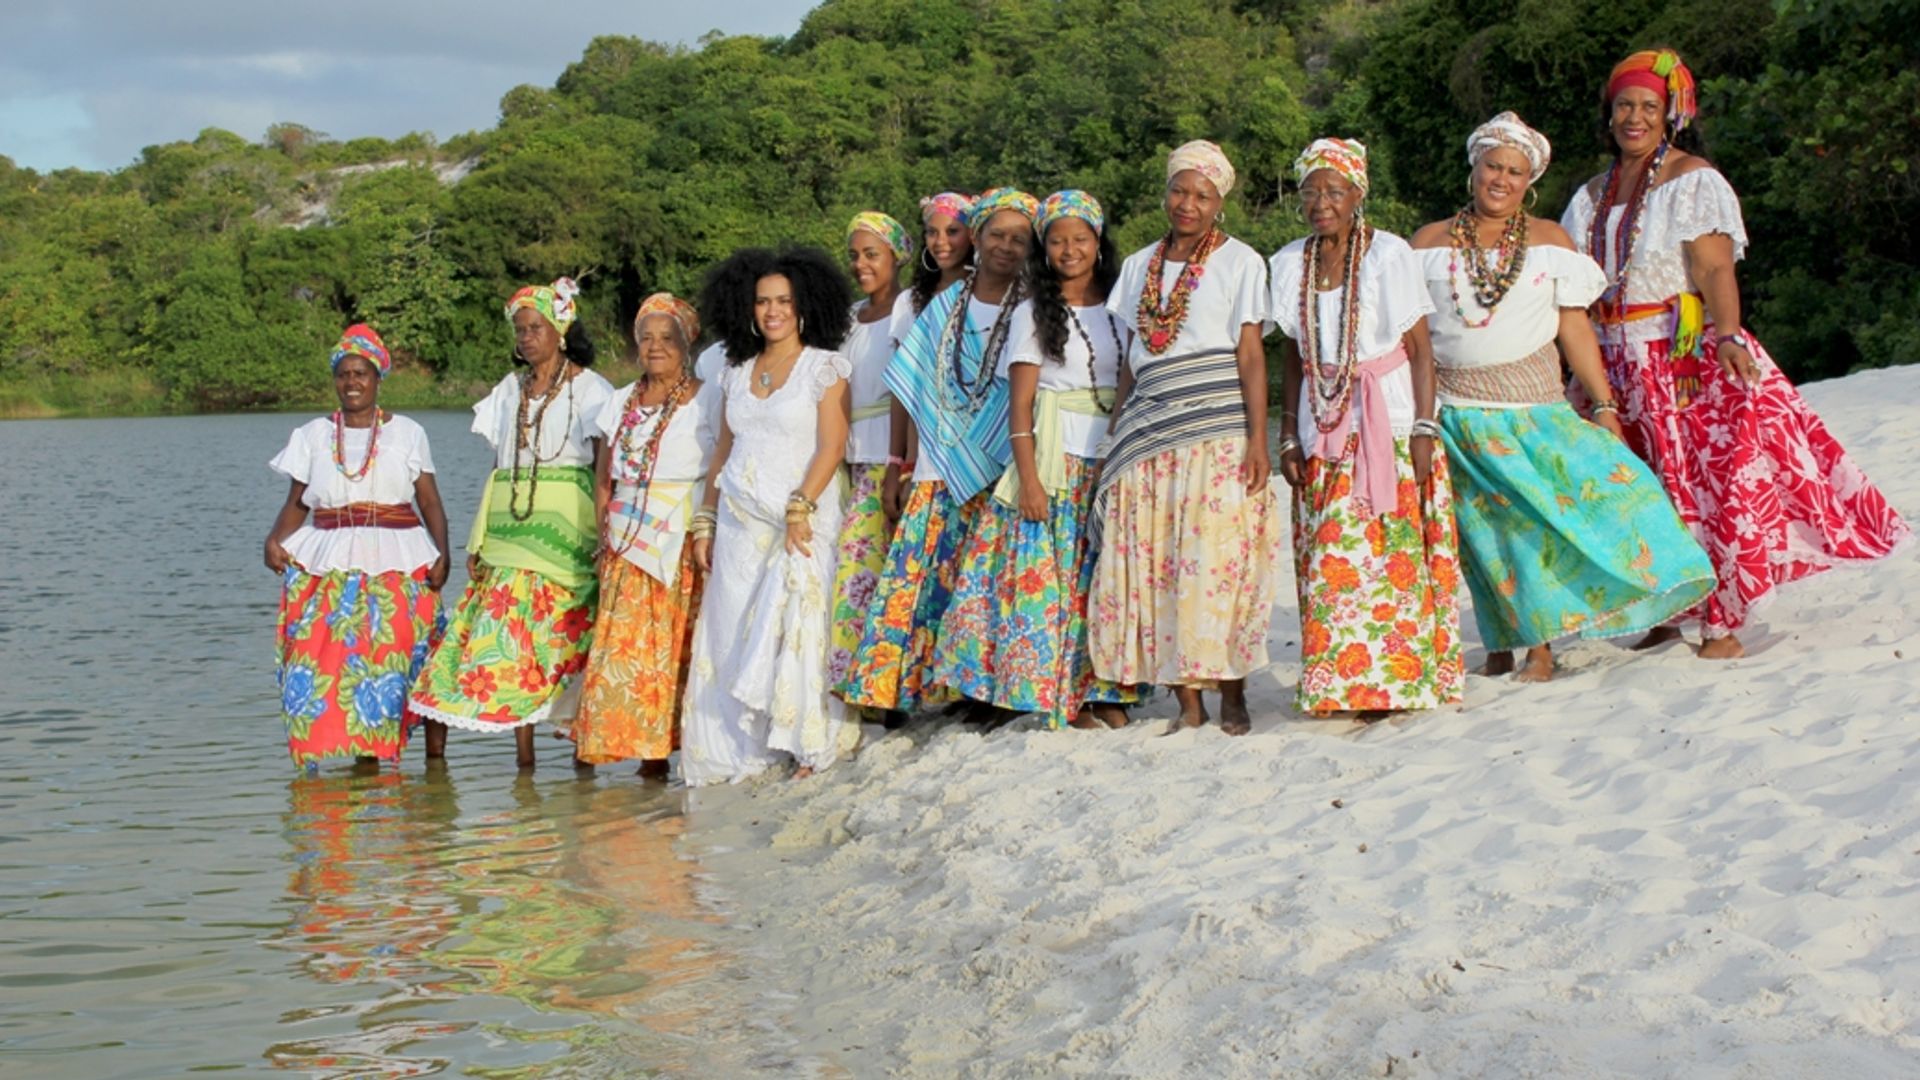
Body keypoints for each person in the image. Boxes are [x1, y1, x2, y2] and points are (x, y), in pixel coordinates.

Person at [1563, 49, 1911, 658]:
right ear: (1608, 113)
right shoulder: (1591, 196)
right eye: (1624, 106)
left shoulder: (1692, 180)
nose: (1635, 118)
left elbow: (1714, 266)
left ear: (1671, 115)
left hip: (1679, 355)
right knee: (1640, 490)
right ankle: (1669, 611)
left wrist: (1726, 334)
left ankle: (1720, 623)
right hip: (1612, 361)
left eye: (1649, 106)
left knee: (1703, 486)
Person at [1410, 112, 1715, 682]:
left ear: (1531, 182)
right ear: (1473, 168)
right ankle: (1504, 645)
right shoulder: (1426, 243)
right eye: (1493, 166)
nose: (1501, 179)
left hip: (1534, 412)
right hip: (1455, 413)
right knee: (1482, 537)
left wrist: (1602, 404)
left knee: (1552, 522)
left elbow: (1573, 327)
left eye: (1515, 172)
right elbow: (1410, 338)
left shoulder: (1551, 240)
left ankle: (1541, 648)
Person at [1091, 142, 1281, 736]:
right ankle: (1186, 703)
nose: (1188, 204)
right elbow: (1129, 359)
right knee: (1157, 564)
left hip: (1217, 426)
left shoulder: (1241, 260)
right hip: (1149, 428)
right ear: (1165, 192)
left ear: (1219, 202)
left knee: (1219, 561)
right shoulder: (1138, 266)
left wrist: (1257, 437)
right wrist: (1119, 426)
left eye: (1202, 195)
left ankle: (1232, 692)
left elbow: (1251, 354)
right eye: (1180, 190)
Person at [934, 191, 1140, 730]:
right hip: (1052, 460)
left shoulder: (1122, 305)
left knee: (1100, 578)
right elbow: (1020, 404)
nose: (1070, 250)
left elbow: (1127, 382)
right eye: (1057, 240)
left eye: (1080, 238)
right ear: (1044, 249)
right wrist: (1028, 480)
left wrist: (1118, 445)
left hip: (1106, 455)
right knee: (1044, 582)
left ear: (1099, 243)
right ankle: (1041, 690)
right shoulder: (1032, 312)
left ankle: (1100, 689)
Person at [1272, 138, 1464, 717]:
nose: (1322, 202)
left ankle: (1395, 684)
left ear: (1359, 193)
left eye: (1334, 190)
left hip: (1391, 423)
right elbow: (1291, 353)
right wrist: (1286, 430)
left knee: (1389, 557)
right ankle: (1341, 685)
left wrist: (1426, 427)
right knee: (1330, 559)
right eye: (1311, 191)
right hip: (1321, 424)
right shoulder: (1289, 262)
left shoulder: (1388, 254)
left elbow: (1420, 350)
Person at [838, 188, 1037, 719]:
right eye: (995, 234)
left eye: (1019, 238)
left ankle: (986, 692)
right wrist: (900, 466)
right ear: (979, 237)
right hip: (938, 458)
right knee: (923, 580)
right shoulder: (943, 306)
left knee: (989, 582)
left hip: (1006, 463)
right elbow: (909, 386)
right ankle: (913, 691)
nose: (1006, 246)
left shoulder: (1036, 306)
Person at [408, 278, 616, 768]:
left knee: (566, 639)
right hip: (508, 533)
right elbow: (499, 469)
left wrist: (605, 535)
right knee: (509, 643)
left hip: (567, 539)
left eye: (536, 328)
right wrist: (481, 536)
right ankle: (523, 759)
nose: (526, 338)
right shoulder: (509, 390)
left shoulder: (592, 388)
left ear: (560, 331)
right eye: (520, 330)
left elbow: (604, 469)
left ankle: (580, 754)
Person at [681, 247, 856, 785]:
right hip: (738, 521)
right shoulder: (735, 372)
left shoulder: (824, 368)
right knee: (732, 629)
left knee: (794, 626)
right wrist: (706, 519)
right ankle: (744, 748)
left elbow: (832, 445)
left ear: (804, 306)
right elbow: (722, 452)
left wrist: (801, 504)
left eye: (784, 301)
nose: (772, 311)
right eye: (762, 302)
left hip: (798, 519)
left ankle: (806, 743)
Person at [264, 325, 449, 768]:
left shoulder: (407, 432)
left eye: (361, 374)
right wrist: (273, 540)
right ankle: (357, 761)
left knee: (407, 660)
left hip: (399, 560)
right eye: (344, 374)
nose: (352, 383)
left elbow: (429, 501)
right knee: (321, 661)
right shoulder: (311, 434)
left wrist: (443, 553)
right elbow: (296, 503)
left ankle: (431, 770)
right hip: (330, 560)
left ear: (377, 378)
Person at [571, 293, 716, 773]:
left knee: (671, 651)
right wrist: (604, 536)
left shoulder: (707, 397)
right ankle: (624, 752)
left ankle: (659, 760)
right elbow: (603, 479)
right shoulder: (619, 403)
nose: (656, 347)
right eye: (646, 338)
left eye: (666, 338)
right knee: (623, 654)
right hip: (626, 540)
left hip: (678, 541)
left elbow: (719, 467)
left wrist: (706, 528)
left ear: (686, 343)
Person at [828, 213, 912, 707]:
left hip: (887, 456)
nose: (861, 264)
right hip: (851, 458)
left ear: (897, 255)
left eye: (872, 254)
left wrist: (898, 466)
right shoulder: (848, 317)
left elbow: (907, 388)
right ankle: (865, 687)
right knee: (859, 574)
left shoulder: (909, 309)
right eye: (855, 255)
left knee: (872, 576)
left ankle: (883, 691)